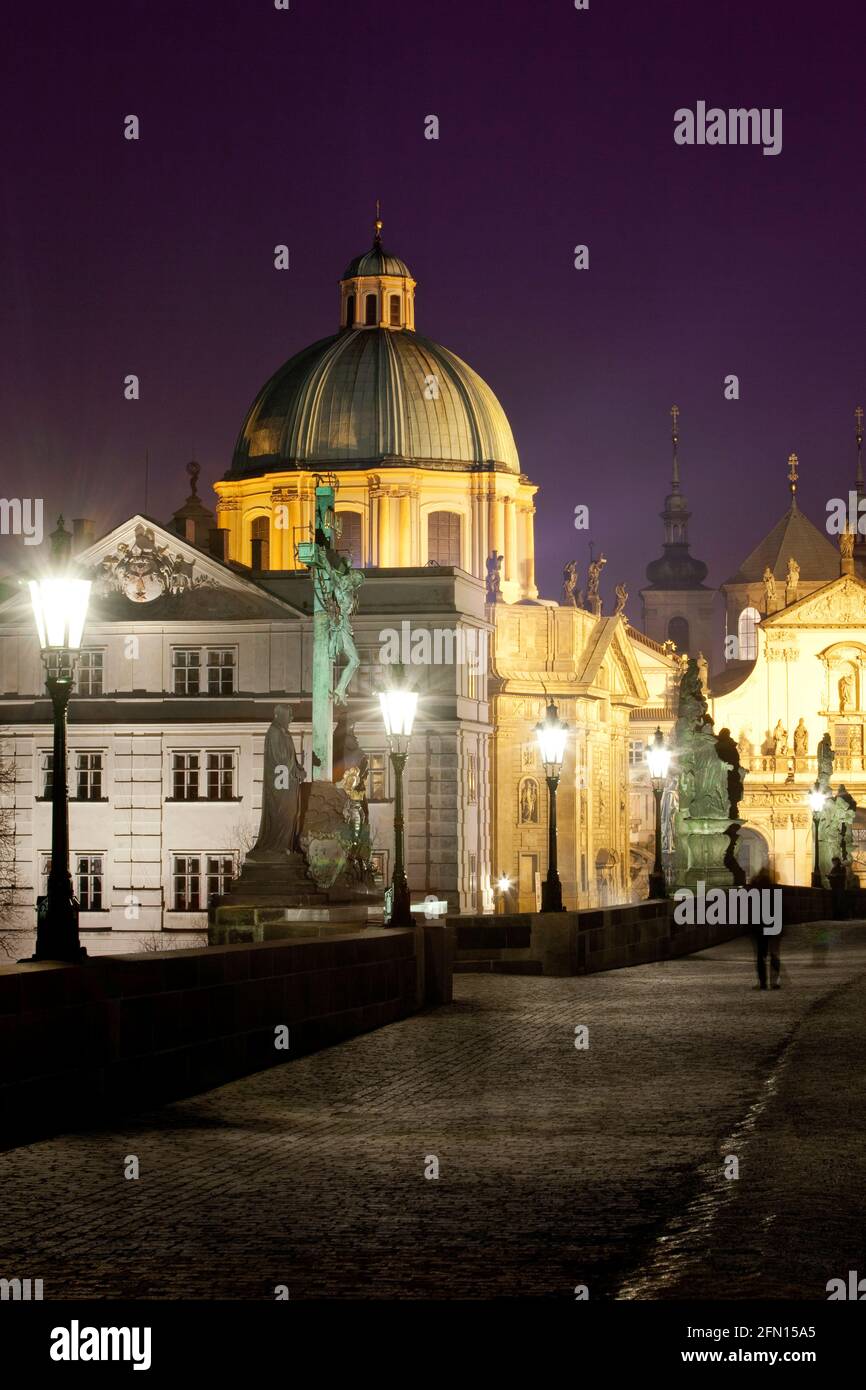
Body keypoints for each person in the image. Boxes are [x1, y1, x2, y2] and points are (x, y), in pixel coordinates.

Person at [749, 867, 781, 990]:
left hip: (760, 927)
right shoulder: (774, 891)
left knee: (760, 956)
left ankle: (763, 983)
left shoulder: (756, 892)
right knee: (773, 954)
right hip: (773, 926)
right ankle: (774, 982)